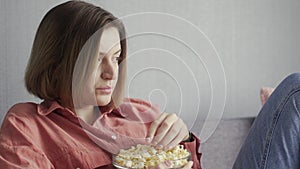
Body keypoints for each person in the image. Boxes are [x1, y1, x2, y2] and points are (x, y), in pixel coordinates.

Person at [0, 1, 201, 169]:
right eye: (97, 59)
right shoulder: (25, 125)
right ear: (56, 64)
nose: (112, 73)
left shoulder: (144, 113)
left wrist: (185, 138)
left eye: (116, 58)